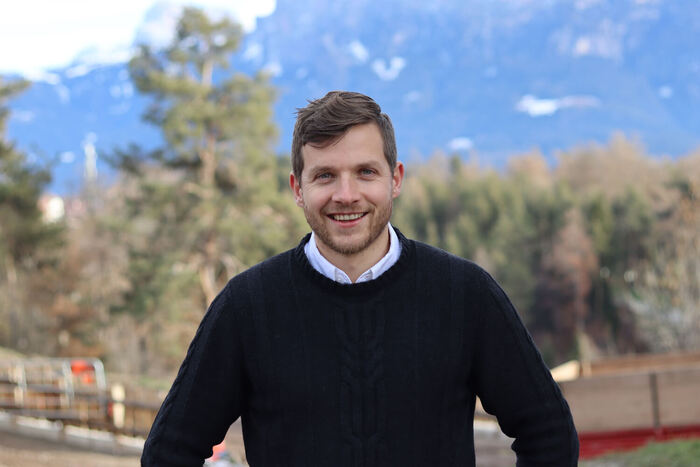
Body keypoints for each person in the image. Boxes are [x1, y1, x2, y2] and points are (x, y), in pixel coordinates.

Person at [141, 91, 579, 466]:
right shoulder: (247, 306)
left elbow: (549, 434)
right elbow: (169, 452)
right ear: (297, 189)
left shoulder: (464, 294)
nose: (346, 195)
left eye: (365, 172)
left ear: (395, 179)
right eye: (325, 176)